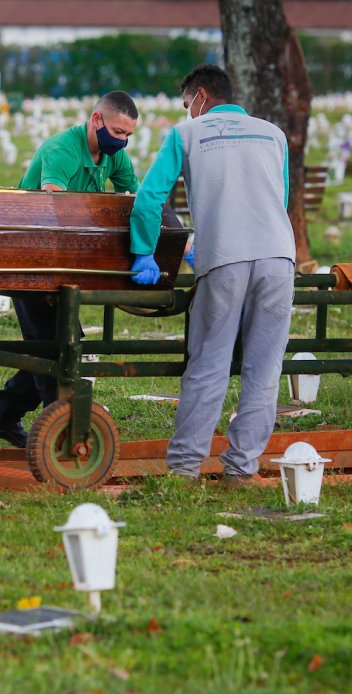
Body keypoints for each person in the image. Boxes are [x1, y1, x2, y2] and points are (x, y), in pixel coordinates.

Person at [127, 64, 296, 483]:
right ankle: (241, 469)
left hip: (223, 258)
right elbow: (283, 197)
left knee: (209, 363)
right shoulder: (274, 134)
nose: (188, 112)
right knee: (264, 368)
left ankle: (185, 467)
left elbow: (149, 198)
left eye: (188, 104)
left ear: (200, 96)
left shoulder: (186, 135)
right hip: (279, 258)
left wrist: (144, 252)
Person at [0, 92, 141, 449]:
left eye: (128, 135)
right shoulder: (62, 150)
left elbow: (134, 195)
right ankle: (61, 427)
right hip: (31, 261)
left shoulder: (112, 155)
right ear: (96, 120)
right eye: (118, 131)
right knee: (56, 348)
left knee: (58, 345)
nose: (123, 141)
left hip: (66, 262)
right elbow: (55, 204)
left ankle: (1, 416)